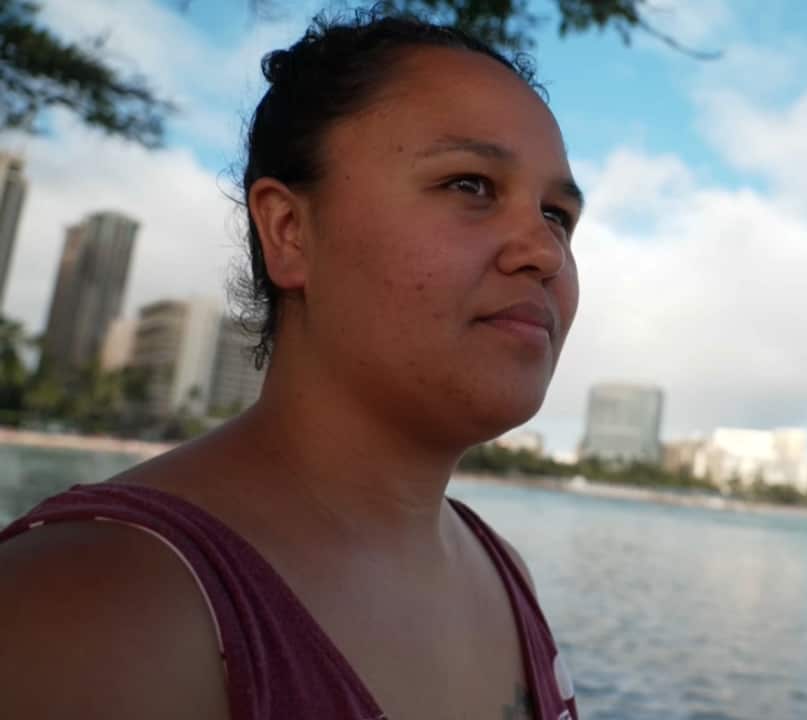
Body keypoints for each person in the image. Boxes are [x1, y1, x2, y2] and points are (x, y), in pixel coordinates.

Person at [0, 10, 582, 720]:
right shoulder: (98, 610)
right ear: (289, 231)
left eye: (557, 215)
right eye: (470, 185)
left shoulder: (504, 573)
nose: (544, 251)